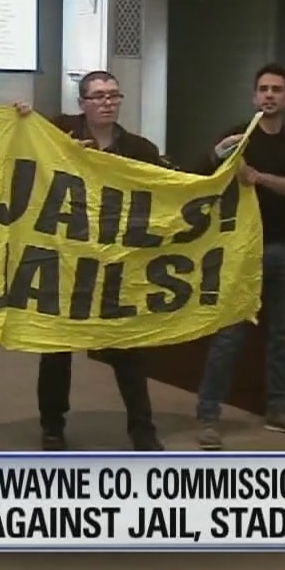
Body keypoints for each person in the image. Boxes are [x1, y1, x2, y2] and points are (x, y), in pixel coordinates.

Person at [37, 70, 166, 452]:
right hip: (67, 261)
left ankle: (142, 428)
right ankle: (52, 427)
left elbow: (169, 188)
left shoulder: (139, 149)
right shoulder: (58, 134)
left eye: (113, 95)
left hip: (116, 264)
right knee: (56, 349)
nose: (107, 102)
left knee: (127, 348)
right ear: (82, 103)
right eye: (98, 96)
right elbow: (23, 149)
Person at [195, 63, 285, 451]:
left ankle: (278, 410)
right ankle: (208, 415)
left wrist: (259, 178)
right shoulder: (238, 136)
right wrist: (218, 155)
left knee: (283, 335)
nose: (269, 95)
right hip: (241, 250)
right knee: (229, 335)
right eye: (263, 89)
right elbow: (200, 176)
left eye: (276, 90)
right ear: (254, 96)